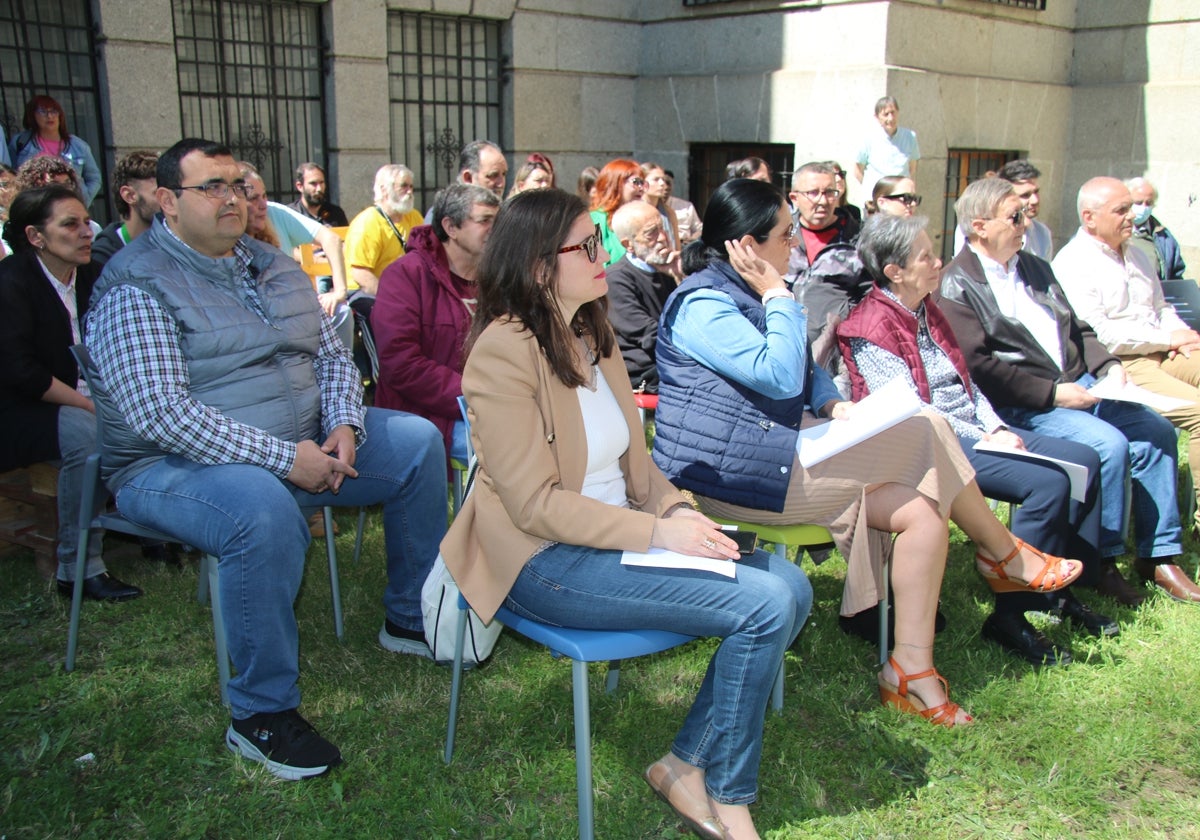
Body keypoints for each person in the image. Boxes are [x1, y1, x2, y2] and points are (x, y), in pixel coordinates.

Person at [441, 186, 813, 840]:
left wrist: (677, 512)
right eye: (587, 245)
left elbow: (636, 468)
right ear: (537, 267)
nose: (602, 255)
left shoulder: (592, 331)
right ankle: (728, 797)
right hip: (543, 562)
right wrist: (658, 531)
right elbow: (534, 506)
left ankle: (684, 764)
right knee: (763, 603)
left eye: (600, 241)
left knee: (791, 585)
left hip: (620, 543)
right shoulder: (500, 354)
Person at [653, 179, 1080, 731]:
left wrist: (834, 406)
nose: (795, 246)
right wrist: (780, 296)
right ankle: (1003, 556)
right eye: (785, 235)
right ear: (746, 245)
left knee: (924, 508)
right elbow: (781, 375)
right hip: (731, 480)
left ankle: (910, 671)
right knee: (925, 422)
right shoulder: (703, 305)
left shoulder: (746, 289)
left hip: (779, 456)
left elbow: (804, 375)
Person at [85, 138, 447, 780]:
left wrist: (342, 422)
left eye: (240, 184)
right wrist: (286, 460)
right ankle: (260, 715)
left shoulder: (274, 266)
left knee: (418, 441)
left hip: (301, 438)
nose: (235, 198)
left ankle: (410, 618)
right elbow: (160, 415)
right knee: (262, 509)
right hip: (166, 467)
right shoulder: (135, 282)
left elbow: (332, 358)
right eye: (213, 188)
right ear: (167, 201)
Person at [840, 213, 1115, 665]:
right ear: (895, 272)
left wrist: (997, 428)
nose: (938, 262)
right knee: (1047, 484)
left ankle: (1062, 595)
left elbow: (966, 385)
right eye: (926, 256)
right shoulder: (868, 328)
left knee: (1085, 458)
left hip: (973, 431)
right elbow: (916, 412)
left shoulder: (929, 308)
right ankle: (1013, 616)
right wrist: (984, 439)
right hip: (926, 444)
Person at [940, 177, 1189, 606]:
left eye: (1025, 214)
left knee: (1157, 432)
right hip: (1025, 404)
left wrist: (1109, 368)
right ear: (979, 226)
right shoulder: (956, 283)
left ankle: (1159, 553)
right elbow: (981, 368)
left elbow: (1079, 327)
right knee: (1108, 445)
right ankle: (1100, 562)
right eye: (1015, 216)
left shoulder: (1035, 266)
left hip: (1082, 385)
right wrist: (1054, 395)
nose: (1025, 223)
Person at [0, 184, 141, 601]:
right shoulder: (10, 284)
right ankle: (77, 567)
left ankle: (161, 533)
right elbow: (20, 372)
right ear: (35, 237)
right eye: (70, 224)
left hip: (85, 397)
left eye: (86, 222)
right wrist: (91, 405)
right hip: (20, 409)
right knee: (87, 434)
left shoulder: (92, 276)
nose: (85, 233)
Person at [1053, 176, 1200, 536]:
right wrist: (1167, 337)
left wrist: (1184, 337)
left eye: (1132, 207)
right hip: (1122, 363)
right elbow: (1101, 335)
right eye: (1121, 210)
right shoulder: (1074, 262)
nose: (1132, 216)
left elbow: (1161, 306)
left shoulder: (1136, 252)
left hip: (1164, 350)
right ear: (1089, 217)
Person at [371, 184, 500, 471]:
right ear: (450, 227)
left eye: (498, 220)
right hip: (423, 416)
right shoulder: (405, 275)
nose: (495, 228)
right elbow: (400, 363)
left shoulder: (495, 277)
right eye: (484, 220)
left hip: (492, 405)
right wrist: (474, 395)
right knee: (511, 448)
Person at [605, 200, 677, 393]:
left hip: (669, 359)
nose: (662, 238)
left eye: (662, 228)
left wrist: (681, 275)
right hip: (644, 371)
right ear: (629, 244)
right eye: (651, 233)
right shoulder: (616, 279)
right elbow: (648, 334)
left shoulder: (666, 270)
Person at [8, 96, 102, 206]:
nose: (50, 116)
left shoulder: (79, 146)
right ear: (32, 116)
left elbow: (94, 178)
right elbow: (11, 176)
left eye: (54, 111)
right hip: (36, 207)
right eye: (43, 112)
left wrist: (83, 201)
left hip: (70, 205)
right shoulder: (21, 143)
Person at [91, 151, 160, 268]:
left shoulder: (179, 246)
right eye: (158, 193)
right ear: (129, 196)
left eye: (171, 193)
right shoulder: (102, 260)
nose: (169, 201)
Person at [854, 96, 920, 199]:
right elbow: (858, 170)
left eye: (893, 112)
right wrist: (872, 189)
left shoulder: (910, 137)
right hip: (876, 199)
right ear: (877, 117)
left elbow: (912, 168)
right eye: (886, 114)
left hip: (901, 198)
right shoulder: (868, 139)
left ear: (898, 113)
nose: (890, 118)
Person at [1126, 176, 1186, 280]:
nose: (1144, 208)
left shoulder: (1164, 237)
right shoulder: (1112, 232)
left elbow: (1176, 274)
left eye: (1149, 203)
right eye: (1138, 202)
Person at [590, 159, 647, 267]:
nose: (641, 188)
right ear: (615, 184)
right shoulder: (596, 219)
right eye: (636, 182)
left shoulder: (643, 218)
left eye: (643, 183)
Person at [288, 162, 348, 227]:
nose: (319, 189)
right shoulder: (290, 214)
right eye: (313, 183)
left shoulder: (336, 213)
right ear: (300, 186)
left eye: (321, 183)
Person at [665, 170, 702, 244]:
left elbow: (699, 229)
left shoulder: (686, 206)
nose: (665, 187)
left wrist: (692, 239)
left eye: (668, 183)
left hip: (684, 245)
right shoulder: (648, 207)